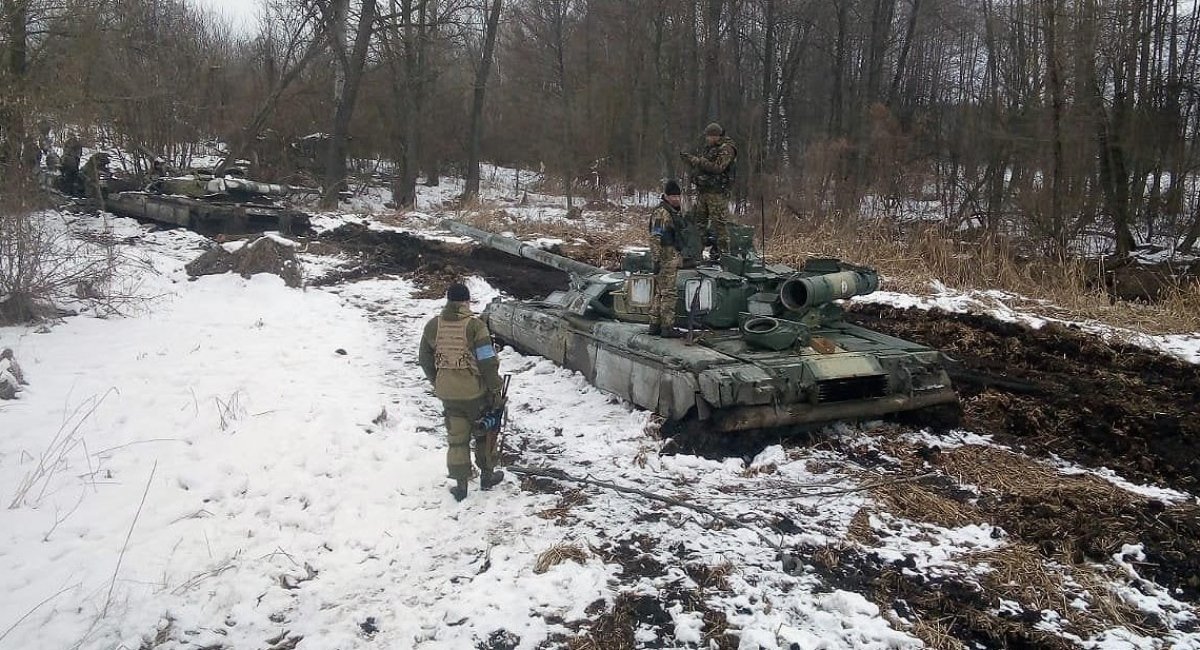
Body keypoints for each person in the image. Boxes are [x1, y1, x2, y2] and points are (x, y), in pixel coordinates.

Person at [418, 283, 506, 501]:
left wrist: (438, 381)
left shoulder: (432, 326)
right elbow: (487, 362)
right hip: (474, 393)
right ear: (467, 301)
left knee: (457, 437)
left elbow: (424, 359)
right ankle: (487, 477)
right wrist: (496, 388)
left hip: (447, 393)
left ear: (448, 301)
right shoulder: (475, 327)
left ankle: (461, 486)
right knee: (485, 433)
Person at [681, 122, 737, 259]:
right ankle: (695, 254)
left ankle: (725, 256)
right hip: (704, 191)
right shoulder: (710, 148)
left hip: (717, 193)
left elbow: (718, 168)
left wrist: (698, 161)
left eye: (709, 136)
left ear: (716, 136)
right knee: (698, 223)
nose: (707, 139)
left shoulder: (727, 148)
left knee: (719, 225)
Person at [648, 180, 685, 338]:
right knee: (668, 293)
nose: (676, 199)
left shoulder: (672, 211)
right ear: (667, 196)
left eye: (678, 196)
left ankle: (655, 324)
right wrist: (656, 259)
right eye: (673, 196)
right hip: (666, 258)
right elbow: (655, 237)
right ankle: (667, 326)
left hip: (671, 256)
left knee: (660, 292)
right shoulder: (662, 213)